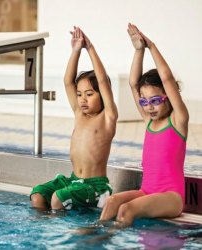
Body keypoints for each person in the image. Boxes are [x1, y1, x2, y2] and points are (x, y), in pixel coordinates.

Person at [99, 23, 189, 227]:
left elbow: (166, 78)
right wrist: (138, 50)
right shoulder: (149, 121)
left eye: (156, 100)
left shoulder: (178, 121)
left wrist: (151, 46)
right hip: (147, 191)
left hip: (171, 196)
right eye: (144, 101)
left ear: (168, 97)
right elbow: (133, 83)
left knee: (126, 209)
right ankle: (98, 238)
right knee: (112, 202)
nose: (149, 107)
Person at [30, 26, 118, 211]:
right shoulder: (79, 113)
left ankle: (60, 232)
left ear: (102, 95)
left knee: (58, 198)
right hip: (73, 180)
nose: (82, 99)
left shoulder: (107, 117)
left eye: (89, 94)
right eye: (79, 94)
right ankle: (46, 230)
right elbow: (68, 81)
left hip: (94, 186)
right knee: (38, 195)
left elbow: (102, 81)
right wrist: (76, 51)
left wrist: (90, 48)